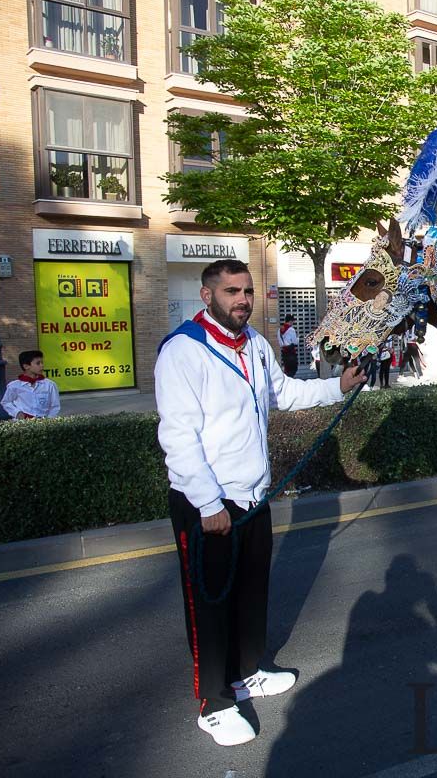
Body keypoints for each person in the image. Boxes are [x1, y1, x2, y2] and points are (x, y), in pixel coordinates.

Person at [155, 259, 366, 746]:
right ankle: (213, 702)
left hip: (253, 497)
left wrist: (339, 386)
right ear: (207, 296)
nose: (242, 300)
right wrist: (208, 505)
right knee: (210, 605)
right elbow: (179, 438)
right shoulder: (182, 352)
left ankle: (246, 673)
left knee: (252, 593)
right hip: (208, 502)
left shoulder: (255, 345)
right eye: (231, 291)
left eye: (247, 290)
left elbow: (283, 393)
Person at [0, 350, 61, 419]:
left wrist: (48, 420)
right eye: (38, 363)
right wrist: (17, 412)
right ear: (26, 366)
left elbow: (55, 406)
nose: (42, 366)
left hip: (44, 422)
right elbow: (6, 402)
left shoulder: (50, 385)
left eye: (42, 363)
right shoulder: (14, 386)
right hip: (23, 423)